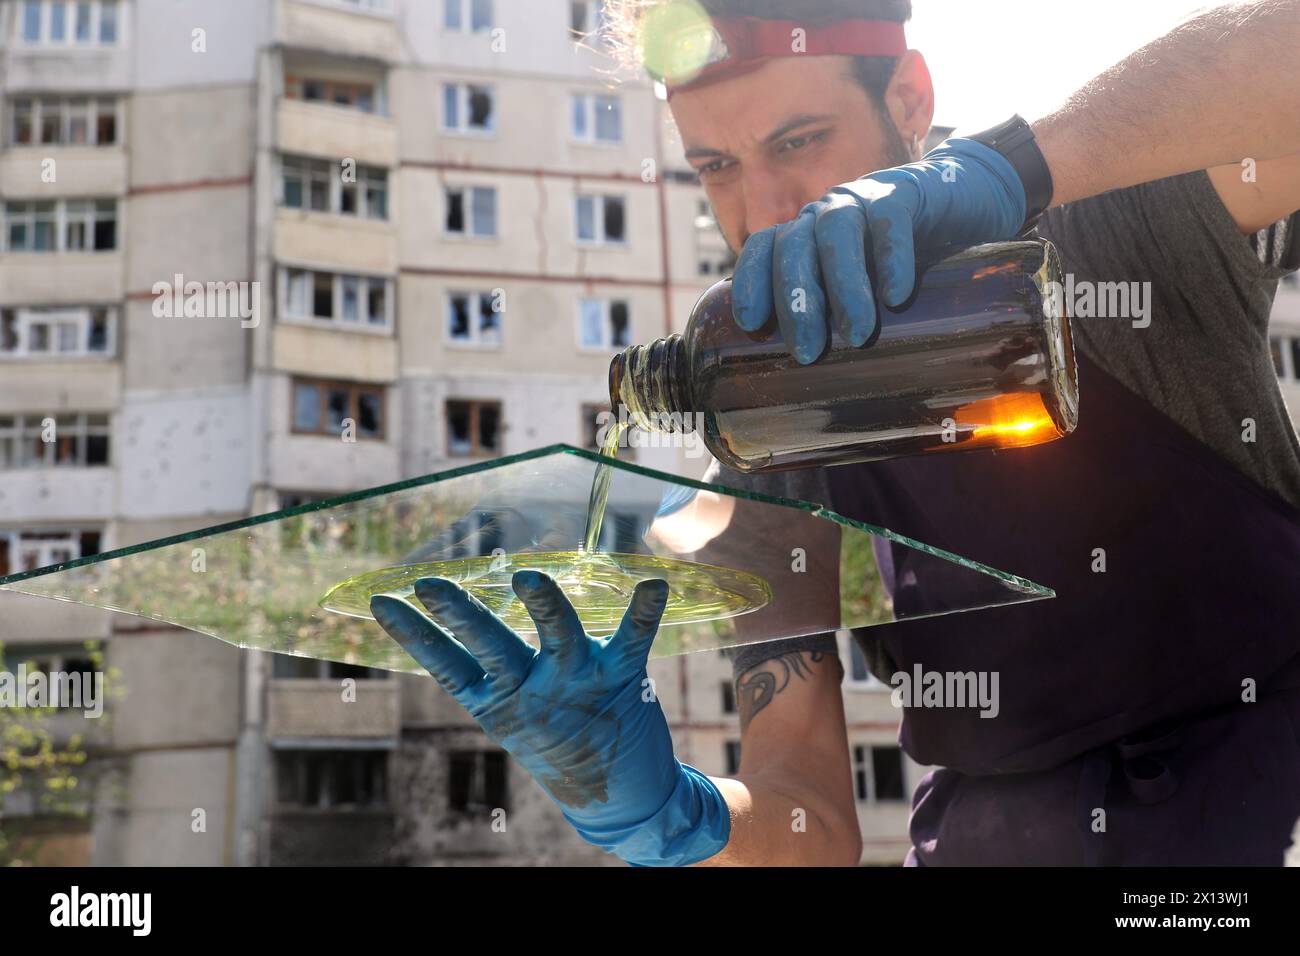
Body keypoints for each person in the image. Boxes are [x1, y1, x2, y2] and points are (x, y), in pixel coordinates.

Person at [371, 0, 1300, 866]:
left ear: (910, 100)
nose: (764, 211)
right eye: (717, 168)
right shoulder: (767, 457)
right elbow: (806, 816)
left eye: (799, 140)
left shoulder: (1105, 236)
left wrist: (1012, 164)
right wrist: (667, 813)